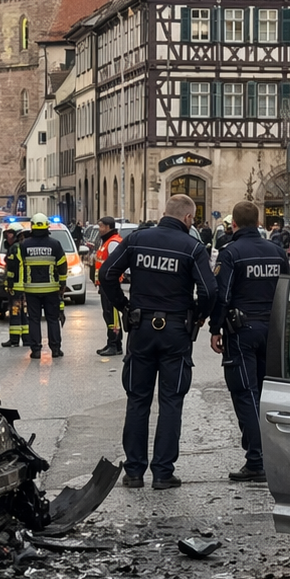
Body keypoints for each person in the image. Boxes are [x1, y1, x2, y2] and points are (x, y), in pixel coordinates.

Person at [98, 193, 217, 491]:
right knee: (171, 401)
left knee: (137, 399)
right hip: (176, 331)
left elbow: (107, 273)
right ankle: (163, 473)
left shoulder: (137, 240)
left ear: (165, 212)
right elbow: (209, 291)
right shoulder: (192, 247)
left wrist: (124, 307)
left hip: (140, 329)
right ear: (188, 219)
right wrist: (199, 316)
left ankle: (134, 472)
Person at [209, 201, 287, 484]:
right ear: (259, 222)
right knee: (267, 395)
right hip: (273, 331)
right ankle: (275, 457)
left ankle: (256, 460)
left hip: (241, 332)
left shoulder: (231, 253)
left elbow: (222, 294)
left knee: (246, 394)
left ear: (234, 225)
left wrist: (214, 328)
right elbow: (288, 291)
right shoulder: (277, 252)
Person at [6, 213, 67, 360]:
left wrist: (11, 283)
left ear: (32, 226)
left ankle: (36, 350)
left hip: (31, 289)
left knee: (34, 319)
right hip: (51, 289)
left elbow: (15, 266)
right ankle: (56, 349)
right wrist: (62, 284)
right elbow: (62, 266)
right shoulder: (54, 244)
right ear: (47, 226)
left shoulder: (24, 245)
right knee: (52, 319)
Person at [94, 216, 124, 356]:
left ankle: (115, 345)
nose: (99, 229)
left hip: (110, 285)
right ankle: (111, 342)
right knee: (108, 315)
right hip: (105, 285)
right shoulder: (106, 242)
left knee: (112, 316)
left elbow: (115, 265)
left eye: (101, 226)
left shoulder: (113, 243)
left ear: (108, 227)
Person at [1, 228, 28, 348]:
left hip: (16, 288)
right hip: (25, 288)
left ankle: (14, 340)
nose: (8, 237)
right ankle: (27, 339)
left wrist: (9, 284)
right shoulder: (24, 246)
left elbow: (12, 269)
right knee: (24, 313)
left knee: (15, 312)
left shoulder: (14, 248)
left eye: (10, 234)